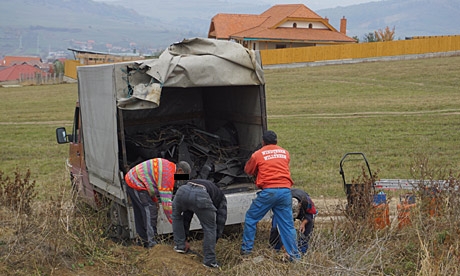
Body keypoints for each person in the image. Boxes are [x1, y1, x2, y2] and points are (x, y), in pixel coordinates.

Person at [241, 130, 301, 260]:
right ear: (277, 141)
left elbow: (248, 170)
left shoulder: (257, 154)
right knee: (287, 225)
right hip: (285, 191)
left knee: (251, 218)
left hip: (269, 191)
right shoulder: (285, 153)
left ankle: (246, 251)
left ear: (263, 142)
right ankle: (294, 256)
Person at [124, 158, 191, 248]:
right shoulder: (169, 176)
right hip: (136, 182)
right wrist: (175, 221)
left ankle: (142, 241)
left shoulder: (169, 167)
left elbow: (152, 182)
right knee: (150, 211)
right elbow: (166, 205)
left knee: (141, 213)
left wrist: (154, 200)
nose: (181, 180)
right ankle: (151, 243)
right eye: (183, 176)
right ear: (179, 170)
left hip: (133, 179)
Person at [172, 179, 227, 269]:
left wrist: (184, 239)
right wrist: (215, 239)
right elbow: (220, 222)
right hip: (200, 195)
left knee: (176, 217)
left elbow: (186, 216)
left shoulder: (195, 180)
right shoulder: (221, 198)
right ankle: (209, 261)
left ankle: (180, 246)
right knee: (210, 228)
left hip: (183, 191)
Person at [269, 188, 317, 255]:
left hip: (302, 210)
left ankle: (302, 249)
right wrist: (284, 246)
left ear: (299, 205)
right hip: (283, 212)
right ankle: (275, 247)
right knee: (275, 227)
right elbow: (280, 227)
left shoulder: (306, 201)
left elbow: (311, 214)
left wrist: (303, 223)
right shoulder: (281, 202)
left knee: (309, 224)